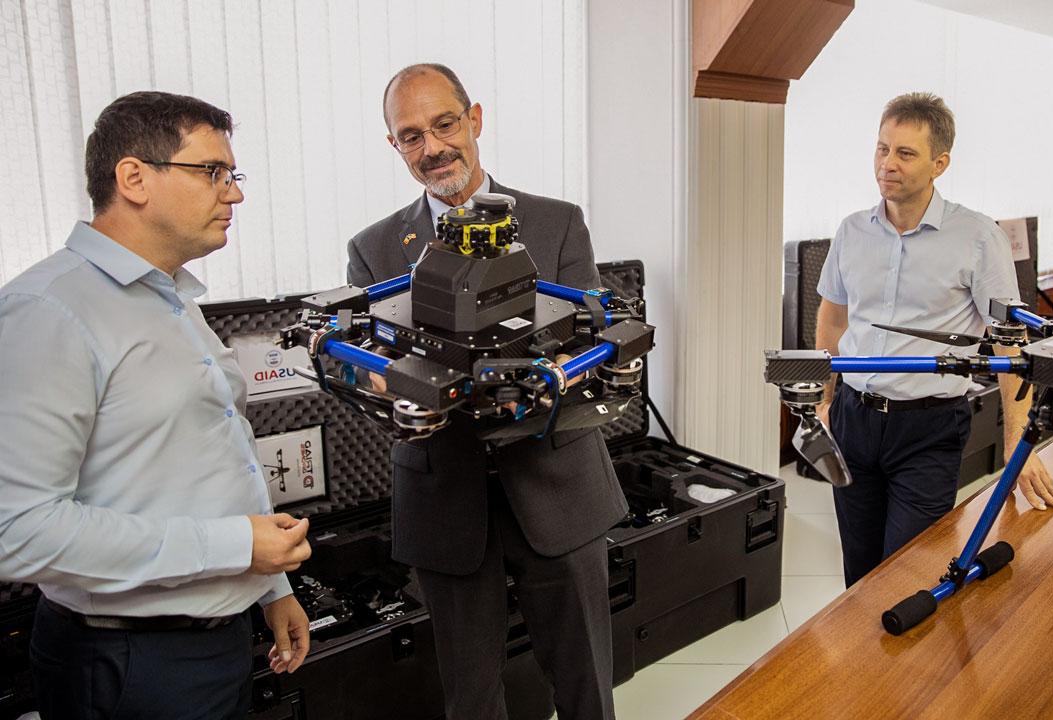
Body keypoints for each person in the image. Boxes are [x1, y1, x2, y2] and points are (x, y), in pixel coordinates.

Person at [0, 91, 312, 719]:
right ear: (134, 177)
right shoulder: (48, 312)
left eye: (234, 174)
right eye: (212, 172)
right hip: (127, 665)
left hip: (213, 644)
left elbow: (210, 460)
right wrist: (233, 548)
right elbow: (18, 531)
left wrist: (268, 586)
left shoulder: (171, 299)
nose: (234, 193)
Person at [347, 64, 622, 719]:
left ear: (475, 118)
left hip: (557, 484)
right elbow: (375, 370)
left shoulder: (558, 223)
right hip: (445, 497)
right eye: (410, 136)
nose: (433, 147)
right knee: (470, 699)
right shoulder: (373, 249)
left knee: (586, 686)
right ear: (394, 146)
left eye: (444, 124)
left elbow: (588, 339)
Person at [815, 92, 1053, 588]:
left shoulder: (978, 237)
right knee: (859, 573)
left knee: (910, 572)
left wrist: (1019, 440)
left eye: (905, 153)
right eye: (882, 149)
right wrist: (825, 404)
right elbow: (832, 322)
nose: (887, 164)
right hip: (852, 421)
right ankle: (867, 667)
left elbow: (1009, 346)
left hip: (928, 431)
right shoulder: (851, 231)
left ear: (939, 164)